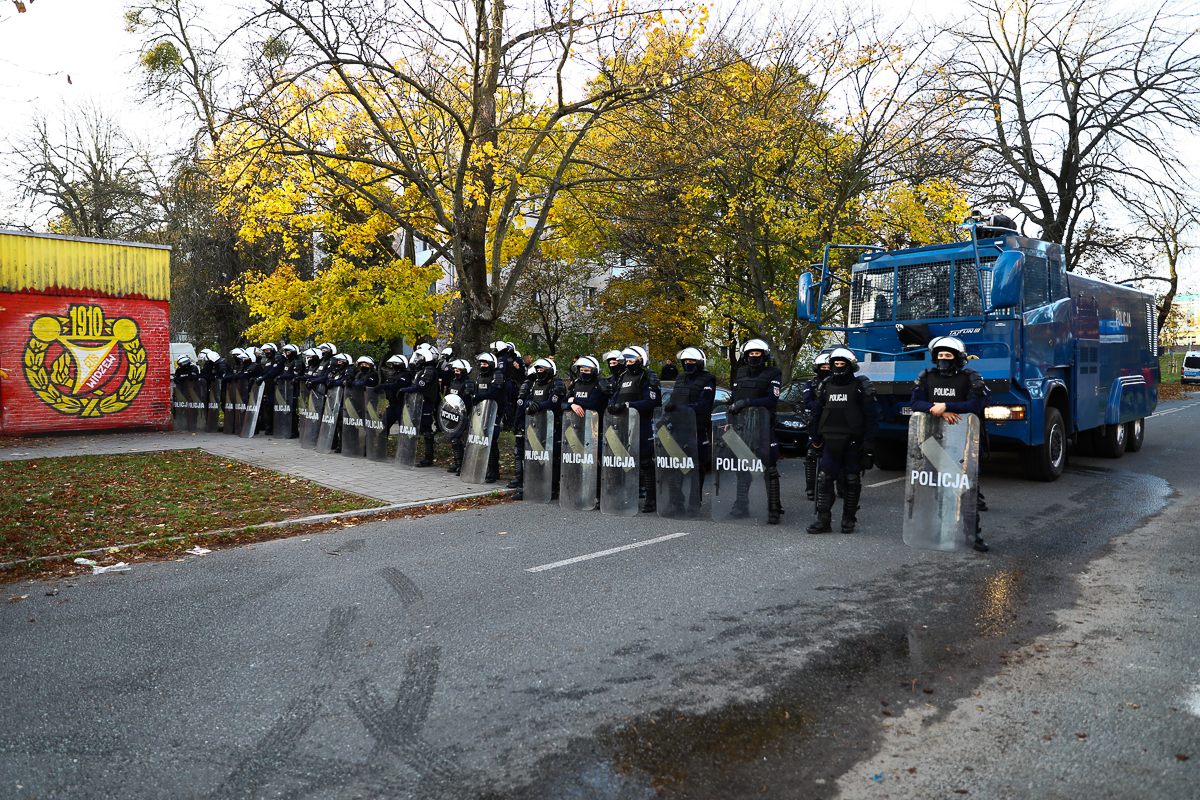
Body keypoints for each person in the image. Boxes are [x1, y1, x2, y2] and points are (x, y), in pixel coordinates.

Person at [909, 336, 991, 552]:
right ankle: (942, 529)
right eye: (940, 355)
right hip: (934, 440)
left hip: (963, 441)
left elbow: (979, 402)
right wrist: (937, 409)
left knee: (965, 490)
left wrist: (947, 405)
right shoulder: (926, 376)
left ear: (958, 357)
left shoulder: (970, 377)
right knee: (938, 489)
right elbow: (915, 402)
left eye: (948, 355)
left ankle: (973, 534)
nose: (943, 359)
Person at [807, 347, 879, 534]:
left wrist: (869, 443)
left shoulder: (861, 386)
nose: (839, 367)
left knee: (851, 480)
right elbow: (818, 413)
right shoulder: (825, 385)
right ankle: (823, 520)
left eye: (842, 364)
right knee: (824, 478)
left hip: (853, 440)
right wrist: (815, 438)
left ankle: (848, 519)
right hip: (830, 440)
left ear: (851, 365)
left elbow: (872, 417)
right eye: (836, 364)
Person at [728, 339, 784, 523]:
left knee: (769, 467)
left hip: (763, 427)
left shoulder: (774, 373)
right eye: (751, 353)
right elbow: (734, 398)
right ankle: (741, 505)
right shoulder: (742, 372)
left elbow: (772, 401)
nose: (754, 357)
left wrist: (748, 403)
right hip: (742, 426)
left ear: (764, 355)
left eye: (757, 353)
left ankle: (774, 508)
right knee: (743, 468)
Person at [607, 345, 662, 513]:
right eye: (627, 360)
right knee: (623, 461)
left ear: (640, 360)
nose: (629, 363)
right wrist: (612, 406)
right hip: (623, 425)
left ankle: (651, 500)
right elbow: (614, 397)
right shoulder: (623, 377)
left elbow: (650, 402)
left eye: (632, 360)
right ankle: (624, 496)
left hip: (642, 424)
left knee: (646, 462)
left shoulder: (647, 376)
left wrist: (628, 405)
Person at [663, 347, 716, 481]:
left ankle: (696, 500)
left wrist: (679, 409)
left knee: (697, 466)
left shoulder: (708, 379)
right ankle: (676, 500)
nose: (688, 363)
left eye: (691, 360)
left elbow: (703, 405)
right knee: (676, 466)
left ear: (699, 362)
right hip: (678, 429)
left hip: (697, 429)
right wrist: (668, 410)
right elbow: (674, 399)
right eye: (685, 360)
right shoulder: (680, 379)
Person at [523, 357, 566, 499]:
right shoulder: (535, 383)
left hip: (554, 425)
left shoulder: (557, 383)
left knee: (553, 457)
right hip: (536, 425)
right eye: (538, 369)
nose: (540, 372)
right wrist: (529, 403)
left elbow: (554, 402)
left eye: (542, 369)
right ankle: (537, 484)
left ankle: (553, 489)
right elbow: (528, 398)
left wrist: (538, 406)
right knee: (536, 454)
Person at [397, 345, 442, 466]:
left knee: (426, 429)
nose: (416, 359)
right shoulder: (422, 370)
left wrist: (405, 390)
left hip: (426, 403)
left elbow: (421, 387)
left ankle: (428, 458)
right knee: (417, 428)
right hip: (418, 402)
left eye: (419, 357)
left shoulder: (429, 371)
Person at [474, 352, 509, 484]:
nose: (483, 366)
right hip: (482, 411)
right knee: (483, 440)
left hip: (495, 412)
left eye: (485, 363)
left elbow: (493, 393)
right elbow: (478, 391)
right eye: (482, 363)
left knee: (492, 440)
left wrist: (476, 398)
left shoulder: (497, 375)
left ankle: (493, 471)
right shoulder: (480, 376)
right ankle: (486, 469)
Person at [801, 352, 832, 501]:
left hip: (834, 422)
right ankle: (810, 488)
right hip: (816, 422)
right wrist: (822, 407)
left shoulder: (836, 383)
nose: (825, 368)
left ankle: (840, 487)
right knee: (811, 455)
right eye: (823, 366)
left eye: (828, 366)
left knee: (836, 454)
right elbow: (807, 402)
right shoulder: (811, 384)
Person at [443, 358, 476, 475]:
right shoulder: (453, 382)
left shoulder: (468, 383)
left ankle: (461, 465)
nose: (456, 373)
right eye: (455, 370)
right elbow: (447, 397)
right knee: (453, 438)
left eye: (459, 370)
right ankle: (457, 462)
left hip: (462, 415)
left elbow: (467, 401)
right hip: (451, 414)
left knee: (456, 439)